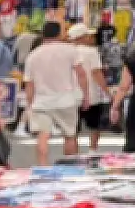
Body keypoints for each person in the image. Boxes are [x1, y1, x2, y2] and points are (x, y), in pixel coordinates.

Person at [23, 20, 88, 164]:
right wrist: (86, 96)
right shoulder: (70, 50)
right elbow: (81, 74)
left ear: (43, 34)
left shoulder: (33, 55)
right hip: (66, 100)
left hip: (41, 102)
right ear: (59, 33)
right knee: (70, 135)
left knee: (43, 135)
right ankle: (70, 168)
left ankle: (43, 167)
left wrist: (29, 104)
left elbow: (29, 84)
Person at [73, 22, 112, 151]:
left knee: (73, 129)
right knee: (94, 126)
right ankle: (92, 150)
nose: (91, 38)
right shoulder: (91, 52)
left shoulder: (68, 51)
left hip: (72, 96)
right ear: (82, 37)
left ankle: (74, 152)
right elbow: (96, 73)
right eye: (88, 36)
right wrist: (107, 91)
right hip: (91, 95)